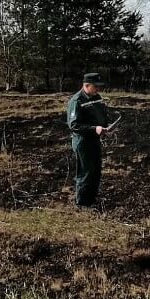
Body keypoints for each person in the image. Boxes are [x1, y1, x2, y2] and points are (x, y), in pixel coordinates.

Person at [66, 73, 112, 207]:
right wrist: (94, 129)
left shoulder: (96, 97)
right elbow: (74, 125)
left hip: (95, 140)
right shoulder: (77, 101)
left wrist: (106, 126)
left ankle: (92, 199)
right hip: (83, 142)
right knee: (85, 173)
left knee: (96, 171)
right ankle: (82, 204)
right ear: (86, 85)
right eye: (95, 86)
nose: (98, 89)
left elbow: (101, 114)